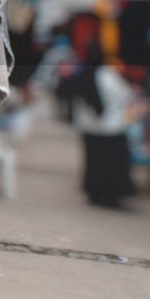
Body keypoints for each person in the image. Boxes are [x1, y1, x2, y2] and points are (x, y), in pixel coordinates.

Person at [58, 40, 136, 207]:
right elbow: (126, 96)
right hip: (112, 129)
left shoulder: (81, 74)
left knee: (94, 164)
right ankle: (112, 196)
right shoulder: (109, 75)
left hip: (89, 128)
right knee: (112, 165)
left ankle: (95, 193)